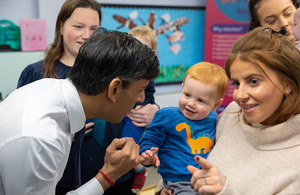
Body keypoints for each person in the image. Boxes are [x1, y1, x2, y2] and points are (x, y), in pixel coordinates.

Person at [0, 28, 160, 195]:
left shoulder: (47, 89)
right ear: (115, 89)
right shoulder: (41, 138)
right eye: (140, 89)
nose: (142, 98)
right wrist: (109, 174)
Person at [185, 27, 300, 194]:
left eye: (253, 81)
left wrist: (225, 191)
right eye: (237, 83)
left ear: (288, 83)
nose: (239, 95)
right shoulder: (232, 114)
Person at [16, 0, 101, 193]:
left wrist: (150, 109)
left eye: (94, 29)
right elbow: (20, 129)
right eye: (78, 27)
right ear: (61, 27)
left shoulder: (106, 75)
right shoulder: (36, 73)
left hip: (102, 178)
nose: (87, 35)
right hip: (52, 181)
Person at [79, 25, 159, 195]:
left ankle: (137, 168)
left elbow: (149, 100)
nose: (141, 97)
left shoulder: (142, 85)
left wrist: (155, 110)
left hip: (120, 178)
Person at [139, 62, 228, 195]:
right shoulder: (166, 116)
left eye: (201, 101)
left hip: (205, 177)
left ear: (215, 104)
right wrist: (147, 153)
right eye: (187, 95)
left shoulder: (212, 117)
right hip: (179, 180)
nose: (191, 103)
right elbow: (150, 137)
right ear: (182, 88)